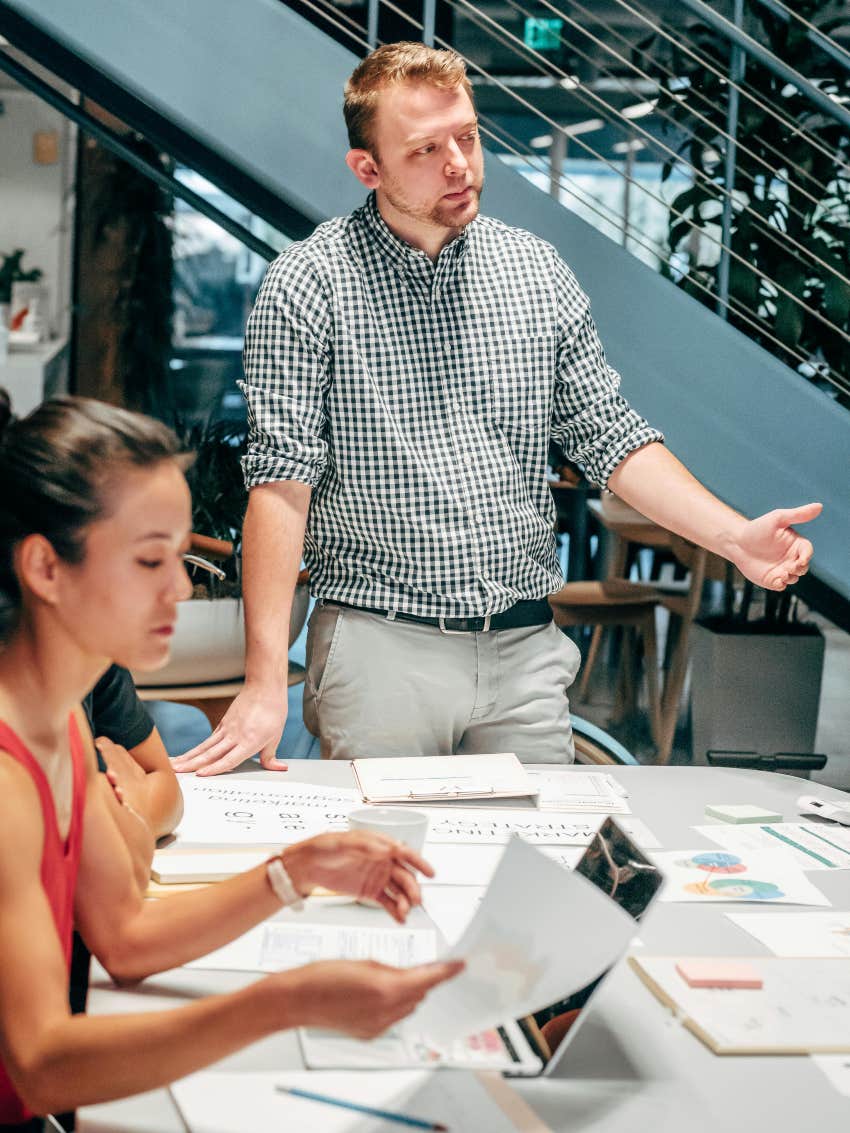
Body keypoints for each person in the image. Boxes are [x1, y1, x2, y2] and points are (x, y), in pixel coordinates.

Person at [172, 42, 821, 776]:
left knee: (533, 876)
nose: (458, 163)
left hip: (523, 650)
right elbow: (281, 487)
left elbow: (611, 435)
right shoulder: (309, 284)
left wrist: (733, 536)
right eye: (425, 149)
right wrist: (263, 679)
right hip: (383, 648)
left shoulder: (535, 271)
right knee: (388, 875)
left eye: (468, 137)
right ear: (369, 168)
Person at [0, 392, 461, 1129]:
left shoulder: (56, 726)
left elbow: (124, 936)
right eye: (150, 559)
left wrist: (296, 871)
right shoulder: (8, 776)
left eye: (178, 557)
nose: (181, 587)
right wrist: (288, 1001)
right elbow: (44, 1062)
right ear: (45, 568)